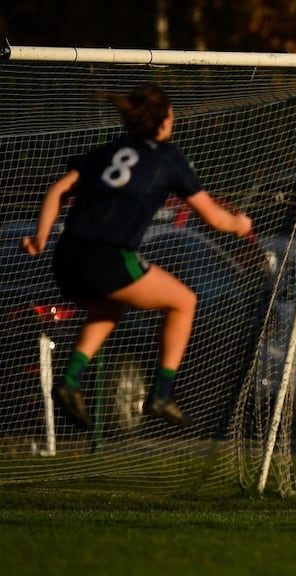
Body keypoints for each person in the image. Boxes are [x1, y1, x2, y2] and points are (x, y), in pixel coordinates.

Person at [21, 83, 252, 430]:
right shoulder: (167, 157)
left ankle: (69, 382)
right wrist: (239, 224)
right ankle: (161, 393)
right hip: (108, 259)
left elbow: (58, 189)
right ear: (162, 122)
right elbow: (215, 218)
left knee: (110, 307)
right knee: (184, 302)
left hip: (65, 259)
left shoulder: (109, 150)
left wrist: (40, 237)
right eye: (171, 114)